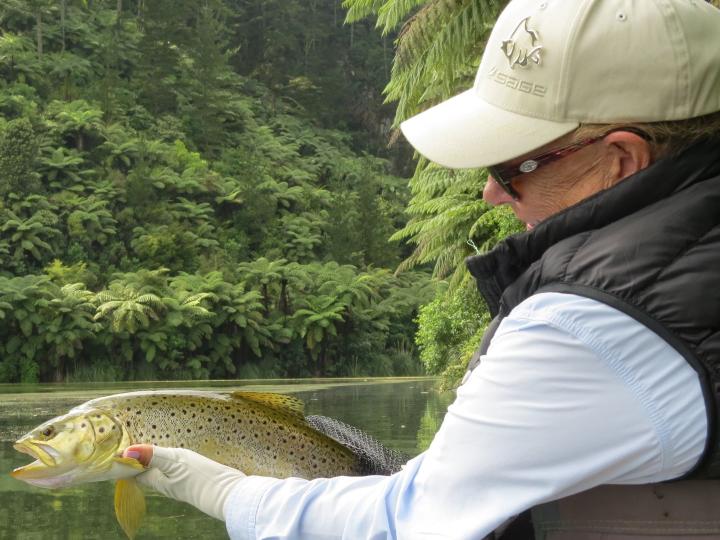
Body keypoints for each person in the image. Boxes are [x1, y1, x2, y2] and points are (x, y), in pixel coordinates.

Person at [124, 0, 720, 538]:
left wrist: (229, 493)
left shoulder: (590, 326)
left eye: (512, 168)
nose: (490, 192)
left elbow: (409, 524)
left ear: (619, 161)